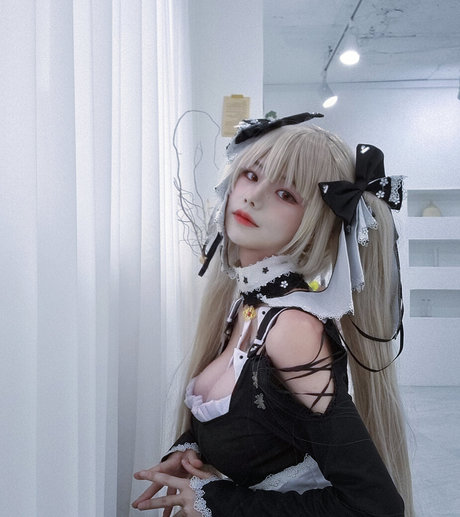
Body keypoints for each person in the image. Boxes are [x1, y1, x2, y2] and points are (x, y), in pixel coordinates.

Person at [132, 114, 414, 516]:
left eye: (286, 194)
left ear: (317, 222)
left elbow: (375, 506)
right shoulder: (248, 306)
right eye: (251, 175)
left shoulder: (291, 328)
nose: (253, 196)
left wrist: (216, 501)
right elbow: (259, 431)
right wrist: (191, 450)